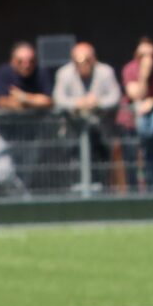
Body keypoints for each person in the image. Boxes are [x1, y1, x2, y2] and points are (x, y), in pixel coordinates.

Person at [52, 40, 124, 195]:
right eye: (78, 61)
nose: (83, 64)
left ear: (93, 59)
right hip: (73, 129)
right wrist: (78, 103)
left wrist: (97, 102)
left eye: (87, 60)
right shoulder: (64, 73)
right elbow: (58, 99)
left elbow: (115, 97)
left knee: (102, 161)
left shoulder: (105, 72)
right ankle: (76, 191)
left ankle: (102, 190)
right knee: (74, 159)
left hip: (101, 129)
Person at [0, 40, 52, 198]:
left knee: (24, 178)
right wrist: (33, 102)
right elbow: (3, 102)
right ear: (12, 61)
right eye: (21, 61)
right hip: (4, 135)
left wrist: (23, 97)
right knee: (2, 173)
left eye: (31, 61)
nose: (26, 65)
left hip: (30, 136)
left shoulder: (41, 73)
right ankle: (26, 201)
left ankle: (18, 207)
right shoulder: (3, 73)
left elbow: (48, 101)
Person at [119, 37, 153, 196]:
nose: (147, 59)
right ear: (136, 55)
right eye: (142, 55)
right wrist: (143, 75)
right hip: (130, 124)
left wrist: (152, 101)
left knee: (152, 162)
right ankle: (132, 197)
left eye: (151, 55)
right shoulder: (130, 69)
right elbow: (136, 95)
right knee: (131, 162)